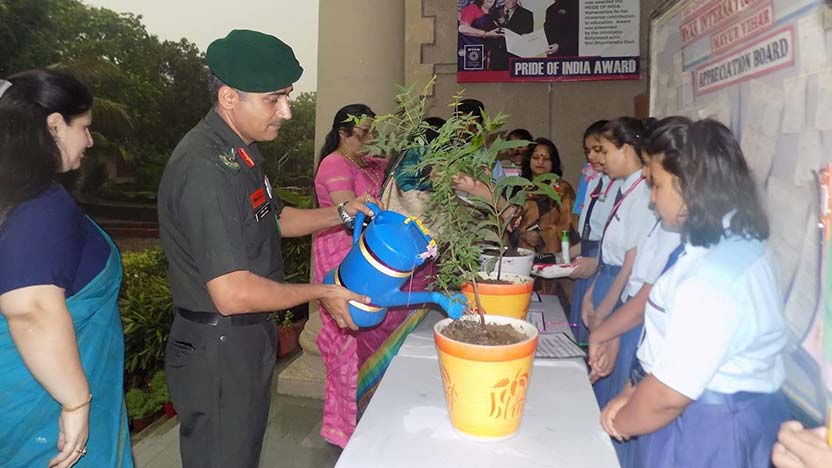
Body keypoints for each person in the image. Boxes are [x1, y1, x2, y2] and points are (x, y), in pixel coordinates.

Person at [157, 30, 375, 468]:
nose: (287, 111)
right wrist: (322, 292)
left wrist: (346, 213)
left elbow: (277, 219)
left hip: (241, 337)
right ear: (228, 97)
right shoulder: (206, 169)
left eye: (287, 96)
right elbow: (232, 292)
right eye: (274, 99)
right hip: (219, 343)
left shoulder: (241, 154)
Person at [601, 118, 790, 468]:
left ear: (689, 185)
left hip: (708, 430)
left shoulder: (713, 279)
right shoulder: (728, 245)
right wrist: (630, 392)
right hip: (697, 413)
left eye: (656, 186)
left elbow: (668, 396)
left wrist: (620, 420)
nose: (652, 199)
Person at [0, 70, 133, 467]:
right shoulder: (41, 206)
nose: (91, 140)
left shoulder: (18, 197)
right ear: (54, 125)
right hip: (45, 413)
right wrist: (75, 402)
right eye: (85, 127)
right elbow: (31, 309)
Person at [314, 104, 431, 447]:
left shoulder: (370, 163)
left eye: (372, 132)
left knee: (369, 338)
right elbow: (350, 214)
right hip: (349, 260)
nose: (370, 139)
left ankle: (372, 422)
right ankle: (347, 430)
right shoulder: (334, 163)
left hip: (373, 258)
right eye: (362, 133)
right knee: (347, 345)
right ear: (343, 134)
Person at [587, 117, 683, 466]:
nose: (646, 182)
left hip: (642, 326)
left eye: (654, 179)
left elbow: (646, 292)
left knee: (627, 428)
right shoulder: (662, 216)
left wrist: (606, 327)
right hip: (629, 316)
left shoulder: (683, 234)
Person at [582, 118, 655, 412]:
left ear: (626, 150)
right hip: (606, 282)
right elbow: (607, 248)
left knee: (611, 377)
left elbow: (630, 262)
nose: (601, 158)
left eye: (606, 150)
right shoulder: (625, 188)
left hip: (621, 293)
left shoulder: (641, 196)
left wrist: (605, 309)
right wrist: (590, 293)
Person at [568, 120, 615, 345]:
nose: (592, 157)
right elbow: (588, 229)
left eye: (598, 150)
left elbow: (614, 239)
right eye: (588, 151)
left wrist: (595, 260)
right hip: (587, 255)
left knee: (594, 326)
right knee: (579, 322)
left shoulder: (618, 184)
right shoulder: (593, 179)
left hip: (602, 264)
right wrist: (564, 255)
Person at [518, 137, 576, 255]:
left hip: (553, 255)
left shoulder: (563, 189)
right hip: (520, 253)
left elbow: (568, 224)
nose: (540, 162)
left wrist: (542, 237)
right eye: (535, 157)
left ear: (553, 162)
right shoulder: (517, 188)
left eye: (546, 158)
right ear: (528, 160)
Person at [458, 0, 504, 70]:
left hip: (486, 54)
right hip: (470, 53)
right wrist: (486, 34)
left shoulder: (494, 12)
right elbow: (462, 28)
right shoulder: (472, 8)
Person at [490, 0, 534, 70]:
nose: (511, 1)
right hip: (496, 56)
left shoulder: (527, 14)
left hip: (516, 56)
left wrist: (508, 32)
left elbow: (527, 34)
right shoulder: (493, 12)